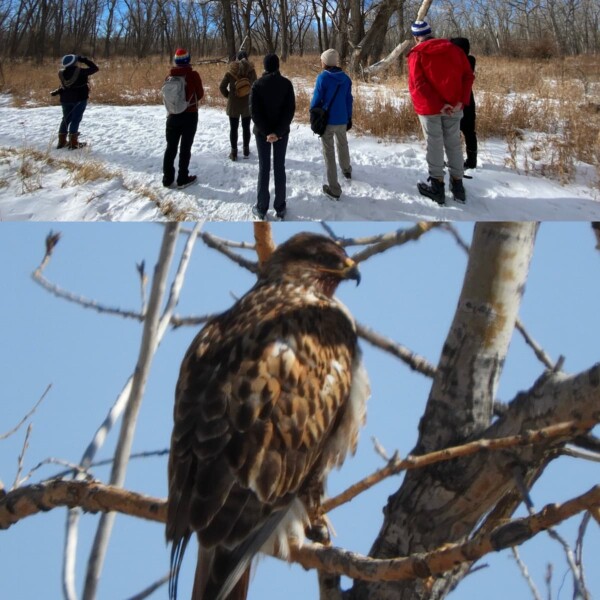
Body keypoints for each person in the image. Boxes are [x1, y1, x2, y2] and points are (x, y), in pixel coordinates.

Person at [407, 20, 474, 205]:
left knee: (434, 144)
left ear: (415, 37)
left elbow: (417, 85)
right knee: (453, 143)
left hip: (430, 109)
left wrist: (438, 104)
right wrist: (462, 100)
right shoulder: (455, 50)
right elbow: (468, 75)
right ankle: (457, 185)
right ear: (430, 32)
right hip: (454, 106)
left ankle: (437, 186)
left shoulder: (417, 54)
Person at [249, 53, 295, 220]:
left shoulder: (257, 84)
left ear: (265, 67)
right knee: (279, 167)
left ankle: (262, 208)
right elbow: (289, 111)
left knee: (264, 168)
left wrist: (268, 132)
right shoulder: (286, 84)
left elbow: (254, 113)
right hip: (279, 133)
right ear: (278, 66)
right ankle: (280, 207)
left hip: (264, 134)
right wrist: (277, 132)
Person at [310, 48, 353, 200]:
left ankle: (334, 188)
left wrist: (313, 113)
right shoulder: (346, 79)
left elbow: (316, 100)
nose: (321, 62)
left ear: (326, 62)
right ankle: (347, 169)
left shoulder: (323, 78)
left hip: (327, 121)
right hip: (342, 119)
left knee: (329, 152)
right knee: (343, 144)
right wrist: (349, 117)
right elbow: (349, 100)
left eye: (322, 60)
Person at [162, 48, 204, 189]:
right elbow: (200, 94)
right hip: (190, 115)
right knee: (185, 148)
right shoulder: (193, 75)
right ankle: (182, 178)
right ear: (188, 60)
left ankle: (167, 179)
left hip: (172, 116)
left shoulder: (169, 76)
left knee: (170, 148)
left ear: (176, 61)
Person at [52, 54, 99, 150]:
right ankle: (73, 143)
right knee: (76, 119)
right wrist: (84, 59)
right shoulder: (80, 72)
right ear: (75, 62)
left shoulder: (61, 73)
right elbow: (95, 68)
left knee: (65, 119)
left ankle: (62, 141)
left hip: (65, 99)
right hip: (79, 98)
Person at [219, 51, 257, 161]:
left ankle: (234, 153)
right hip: (247, 104)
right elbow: (255, 86)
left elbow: (222, 87)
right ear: (247, 58)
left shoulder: (230, 72)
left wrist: (229, 96)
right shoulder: (251, 71)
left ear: (237, 59)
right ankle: (246, 150)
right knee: (246, 128)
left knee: (233, 129)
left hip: (233, 105)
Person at [450, 37, 478, 170]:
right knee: (469, 132)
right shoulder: (471, 60)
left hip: (458, 101)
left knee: (456, 133)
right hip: (468, 100)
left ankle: (458, 160)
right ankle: (471, 161)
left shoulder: (461, 61)